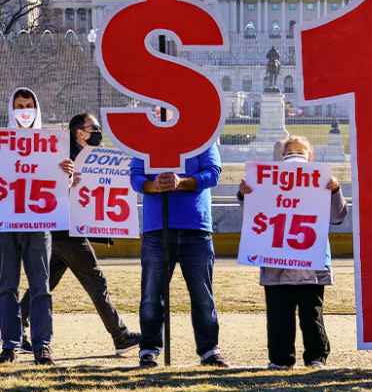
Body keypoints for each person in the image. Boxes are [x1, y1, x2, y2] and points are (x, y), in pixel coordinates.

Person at [19, 113, 140, 354]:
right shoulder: (65, 158)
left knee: (42, 284)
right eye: (93, 128)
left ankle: (14, 327)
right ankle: (121, 336)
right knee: (97, 282)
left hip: (61, 231)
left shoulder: (89, 157)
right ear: (79, 131)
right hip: (67, 231)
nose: (97, 132)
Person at [238, 135, 347, 369]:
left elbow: (338, 217)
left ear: (312, 156)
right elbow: (254, 217)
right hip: (277, 264)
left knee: (312, 315)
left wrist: (335, 190)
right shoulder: (267, 183)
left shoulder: (323, 183)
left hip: (311, 263)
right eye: (290, 152)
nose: (295, 157)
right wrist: (246, 194)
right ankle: (280, 358)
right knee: (279, 316)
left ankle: (316, 357)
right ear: (281, 157)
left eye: (301, 151)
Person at [130, 132, 226, 368]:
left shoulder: (204, 136)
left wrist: (181, 182)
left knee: (203, 295)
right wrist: (153, 186)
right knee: (152, 294)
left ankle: (209, 350)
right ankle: (149, 349)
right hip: (157, 228)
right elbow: (135, 177)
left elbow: (213, 173)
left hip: (196, 226)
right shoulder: (146, 138)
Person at [0, 88, 73, 365]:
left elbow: (59, 189)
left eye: (28, 105)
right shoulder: (3, 143)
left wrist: (66, 174)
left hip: (39, 224)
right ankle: (10, 344)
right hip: (6, 223)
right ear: (11, 109)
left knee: (40, 286)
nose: (24, 110)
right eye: (19, 105)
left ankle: (42, 345)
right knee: (6, 286)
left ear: (36, 107)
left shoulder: (51, 143)